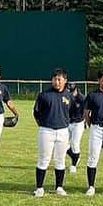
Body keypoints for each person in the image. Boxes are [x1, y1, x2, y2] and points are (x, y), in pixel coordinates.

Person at [32, 69, 74, 197]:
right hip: (46, 130)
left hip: (62, 131)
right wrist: (44, 125)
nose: (57, 82)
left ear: (65, 81)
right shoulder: (44, 95)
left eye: (60, 79)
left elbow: (71, 114)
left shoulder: (69, 96)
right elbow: (36, 113)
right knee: (44, 160)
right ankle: (39, 188)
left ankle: (59, 187)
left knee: (60, 160)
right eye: (55, 79)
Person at [66, 82, 86, 175]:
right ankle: (75, 157)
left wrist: (86, 122)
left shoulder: (81, 98)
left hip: (78, 123)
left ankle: (73, 165)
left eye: (72, 91)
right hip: (68, 123)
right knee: (64, 144)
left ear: (76, 89)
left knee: (75, 143)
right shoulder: (67, 97)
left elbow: (85, 111)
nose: (70, 93)